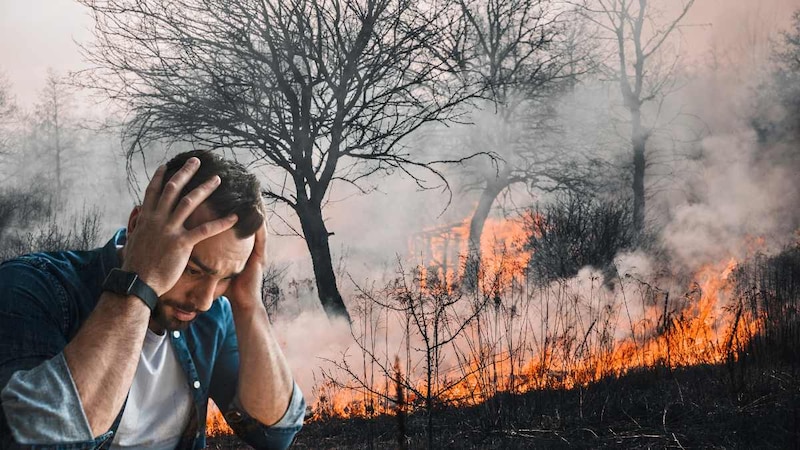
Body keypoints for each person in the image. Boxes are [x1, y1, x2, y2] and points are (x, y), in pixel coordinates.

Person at [0, 150, 305, 449]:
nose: (205, 301)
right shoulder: (32, 285)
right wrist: (139, 280)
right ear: (137, 227)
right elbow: (34, 437)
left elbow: (274, 433)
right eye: (192, 269)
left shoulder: (215, 314)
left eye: (226, 277)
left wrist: (249, 304)